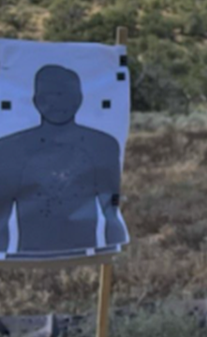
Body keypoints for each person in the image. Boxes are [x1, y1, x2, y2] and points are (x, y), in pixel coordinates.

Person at [0, 64, 125, 255]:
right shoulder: (11, 148)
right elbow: (2, 212)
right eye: (49, 96)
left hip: (84, 256)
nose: (57, 103)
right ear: (36, 100)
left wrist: (113, 257)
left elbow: (111, 212)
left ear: (79, 99)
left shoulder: (101, 145)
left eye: (64, 95)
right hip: (27, 257)